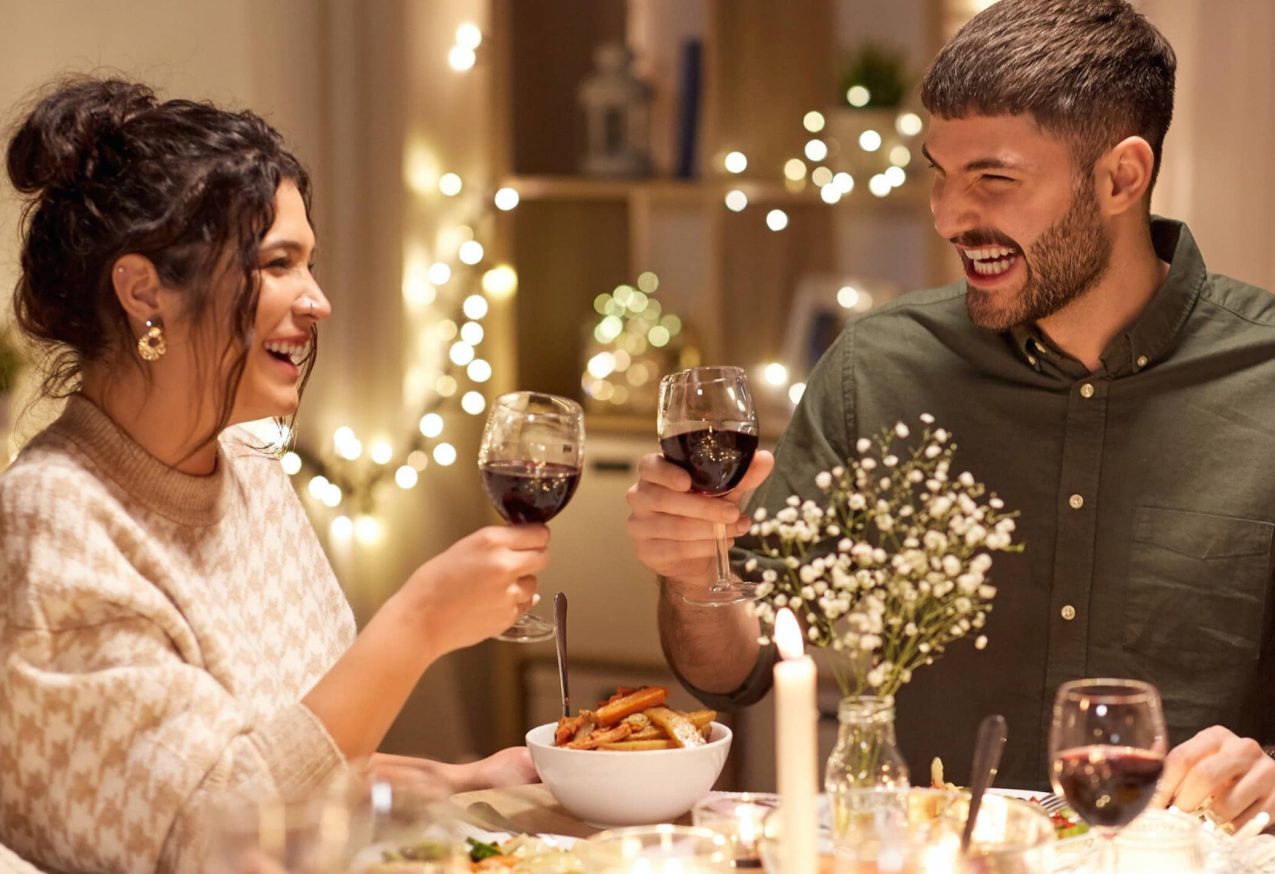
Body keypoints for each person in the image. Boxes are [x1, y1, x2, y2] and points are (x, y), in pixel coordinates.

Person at [627, 0, 1275, 828]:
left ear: (1121, 177)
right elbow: (732, 671)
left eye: (992, 180)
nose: (946, 216)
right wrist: (691, 581)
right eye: (937, 172)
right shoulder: (876, 369)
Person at [0, 77, 548, 873]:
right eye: (277, 264)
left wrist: (462, 778)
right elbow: (211, 833)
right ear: (143, 290)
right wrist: (418, 622)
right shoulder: (51, 523)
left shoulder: (249, 463)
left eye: (309, 263)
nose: (317, 301)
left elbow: (288, 757)